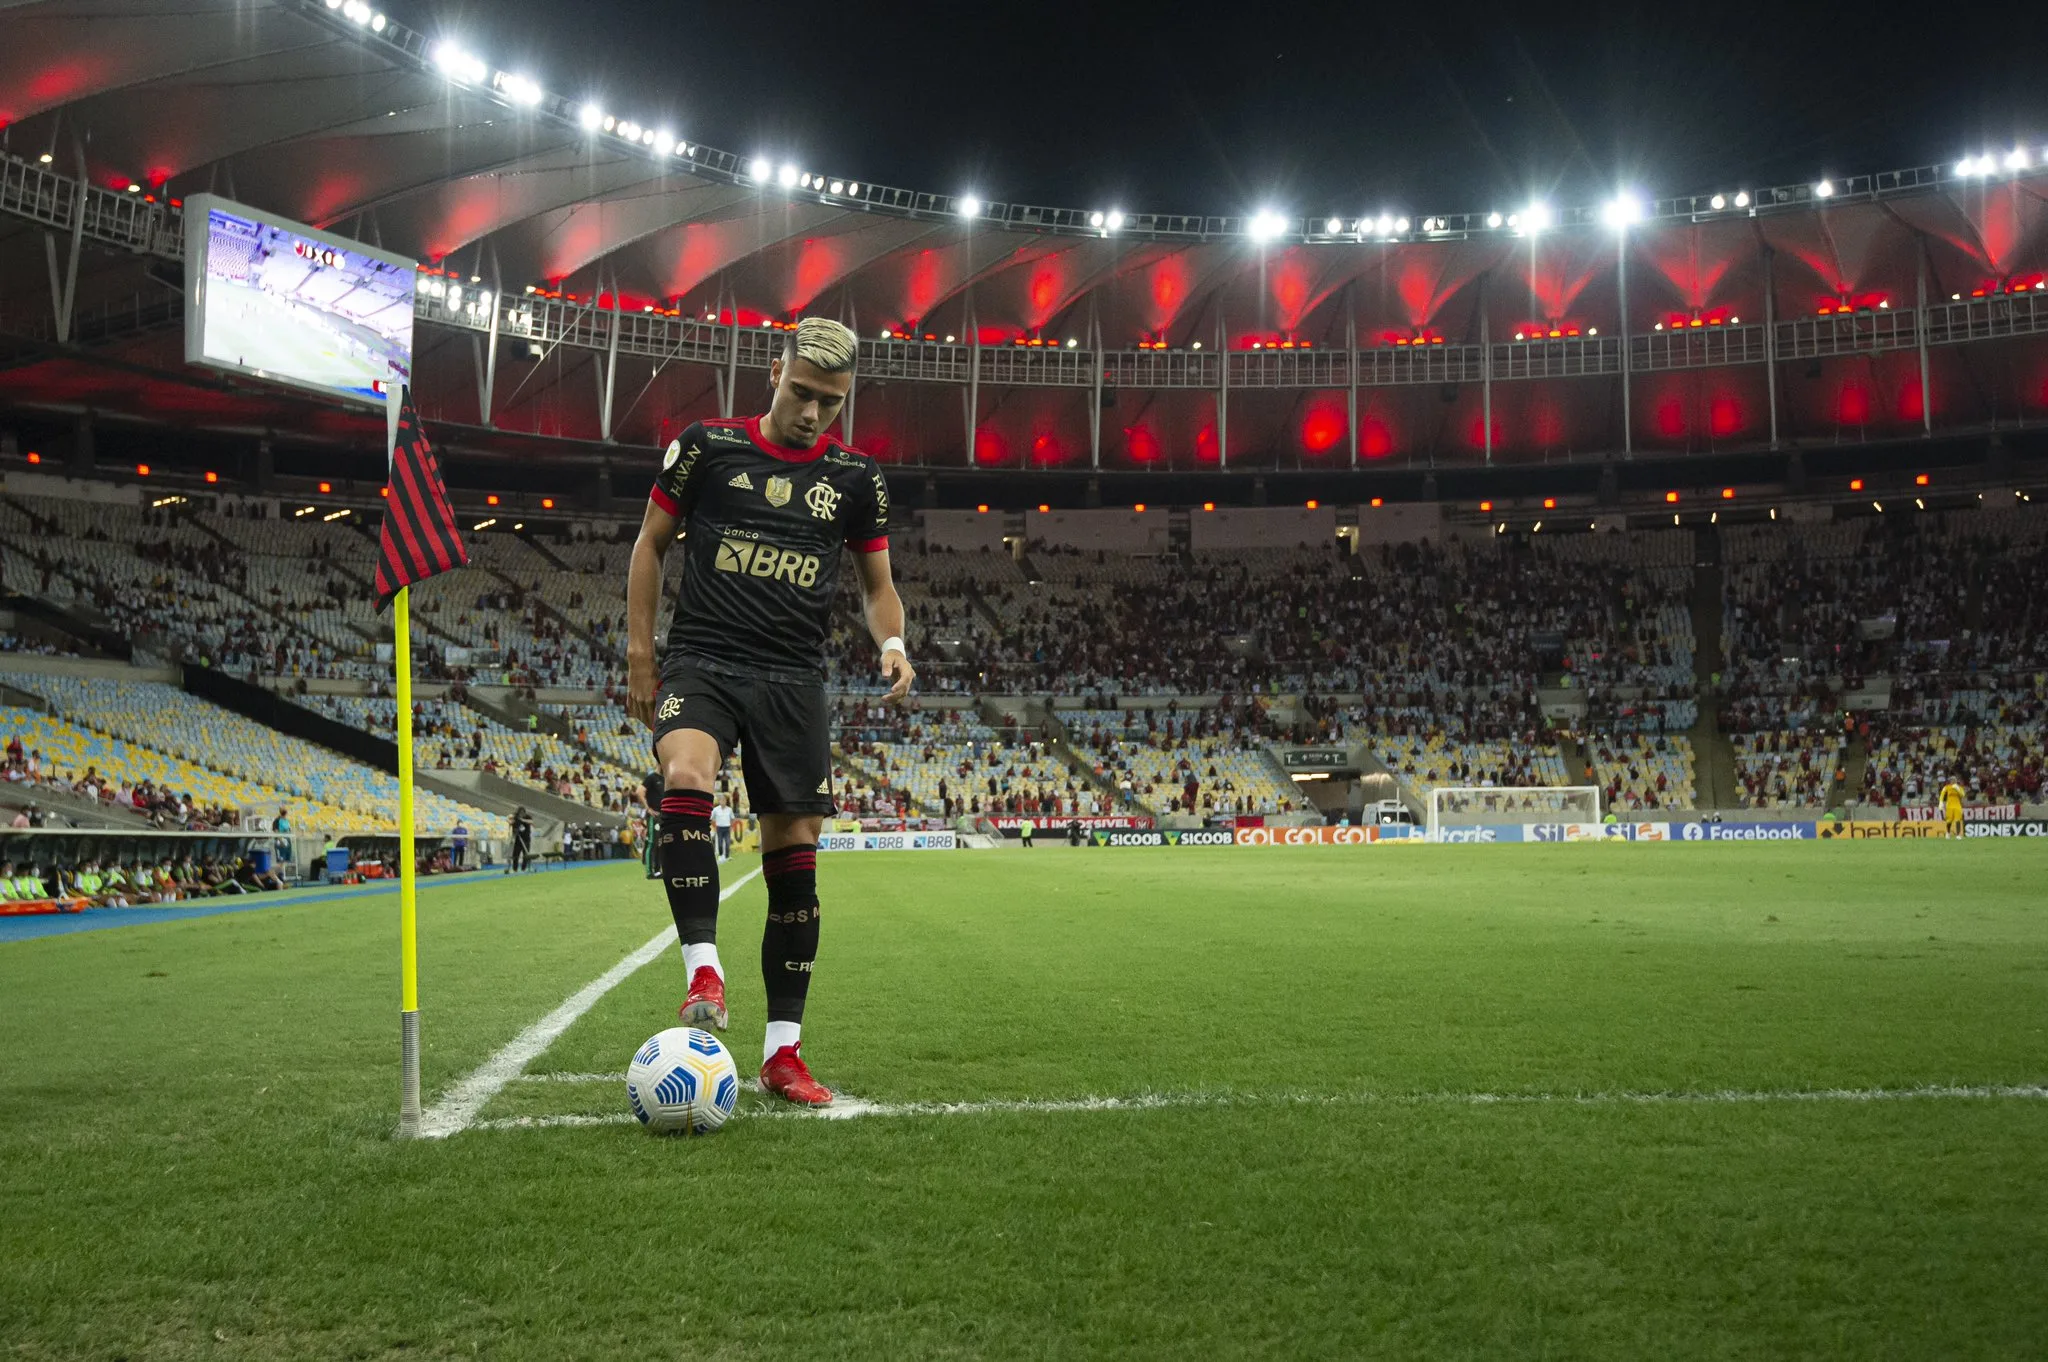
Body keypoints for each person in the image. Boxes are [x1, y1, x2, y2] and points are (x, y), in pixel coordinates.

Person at [627, 316, 911, 1108]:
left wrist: (893, 643)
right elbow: (649, 545)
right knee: (685, 771)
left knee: (796, 860)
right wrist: (640, 655)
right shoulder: (707, 447)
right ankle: (702, 970)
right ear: (773, 372)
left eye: (832, 401)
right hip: (704, 659)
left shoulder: (857, 477)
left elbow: (877, 585)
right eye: (803, 392)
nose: (815, 412)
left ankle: (783, 1055)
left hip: (794, 678)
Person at [711, 794, 734, 863]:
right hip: (719, 828)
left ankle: (727, 856)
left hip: (727, 828)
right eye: (721, 800)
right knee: (720, 843)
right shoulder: (715, 810)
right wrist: (715, 827)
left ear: (726, 801)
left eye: (724, 800)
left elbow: (732, 819)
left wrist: (731, 827)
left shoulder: (729, 810)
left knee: (727, 843)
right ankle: (721, 855)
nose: (723, 801)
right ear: (719, 801)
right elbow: (712, 819)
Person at [508, 807, 532, 873]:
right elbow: (511, 822)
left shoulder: (527, 817)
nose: (521, 815)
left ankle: (523, 868)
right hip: (518, 839)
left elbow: (531, 821)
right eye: (520, 814)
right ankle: (515, 869)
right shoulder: (516, 818)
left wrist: (522, 820)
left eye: (522, 813)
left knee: (525, 855)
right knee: (515, 855)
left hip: (526, 839)